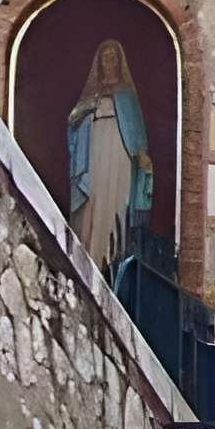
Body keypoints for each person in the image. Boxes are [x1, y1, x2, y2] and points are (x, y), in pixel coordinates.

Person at [65, 39, 153, 276]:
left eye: (114, 56)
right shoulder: (90, 93)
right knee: (93, 199)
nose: (110, 61)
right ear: (99, 62)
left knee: (116, 202)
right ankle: (89, 259)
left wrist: (141, 154)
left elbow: (135, 131)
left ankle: (114, 262)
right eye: (106, 57)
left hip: (121, 152)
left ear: (120, 61)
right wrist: (85, 110)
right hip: (95, 149)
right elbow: (73, 122)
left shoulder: (127, 94)